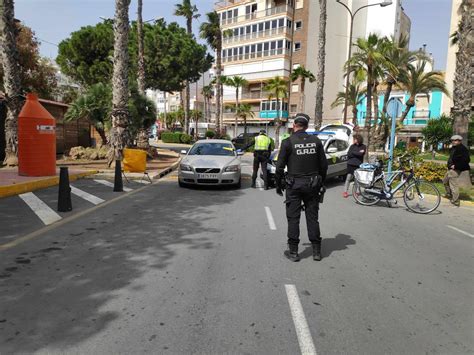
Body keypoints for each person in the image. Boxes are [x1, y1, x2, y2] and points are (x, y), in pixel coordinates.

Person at [275, 113, 328, 262]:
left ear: (294, 125)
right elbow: (324, 166)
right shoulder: (316, 141)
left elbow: (279, 167)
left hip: (294, 186)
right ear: (306, 126)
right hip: (312, 185)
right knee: (312, 218)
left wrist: (278, 185)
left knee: (293, 218)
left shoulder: (288, 142)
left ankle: (293, 252)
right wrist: (321, 182)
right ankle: (316, 252)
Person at [443, 135, 471, 206]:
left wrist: (456, 166)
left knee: (453, 185)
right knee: (445, 181)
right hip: (450, 169)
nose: (453, 141)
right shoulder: (454, 148)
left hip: (455, 169)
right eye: (452, 140)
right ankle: (449, 194)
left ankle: (455, 200)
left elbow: (467, 160)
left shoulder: (462, 149)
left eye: (455, 140)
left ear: (459, 141)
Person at [343, 134, 366, 198]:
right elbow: (349, 154)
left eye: (354, 139)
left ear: (358, 139)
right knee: (348, 178)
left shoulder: (363, 146)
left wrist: (354, 153)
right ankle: (345, 192)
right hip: (350, 164)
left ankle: (355, 192)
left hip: (358, 165)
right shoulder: (352, 146)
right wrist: (357, 153)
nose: (353, 140)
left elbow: (361, 154)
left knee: (356, 179)